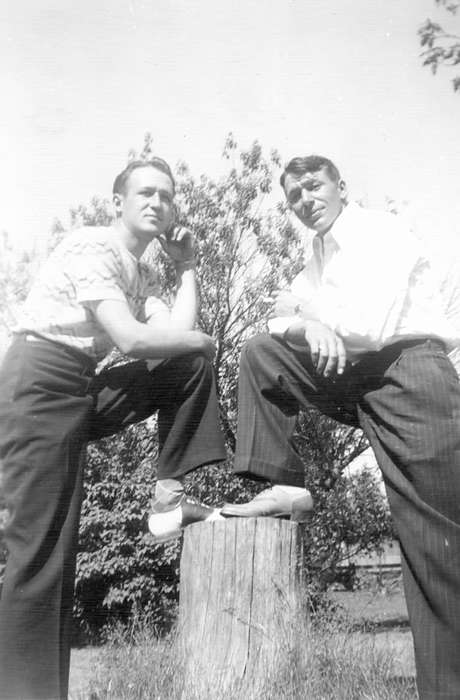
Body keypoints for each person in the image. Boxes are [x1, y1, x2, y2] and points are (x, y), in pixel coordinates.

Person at [222, 155, 460, 699]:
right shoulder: (318, 254)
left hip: (413, 375)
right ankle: (284, 484)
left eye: (314, 186)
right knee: (263, 355)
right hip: (359, 380)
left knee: (438, 554)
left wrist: (310, 316)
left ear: (340, 186)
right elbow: (279, 319)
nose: (306, 200)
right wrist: (307, 322)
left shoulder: (379, 230)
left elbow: (368, 326)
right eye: (294, 196)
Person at [0, 157, 226, 699]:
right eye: (145, 192)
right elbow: (131, 340)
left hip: (80, 388)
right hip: (38, 384)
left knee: (189, 364)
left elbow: (176, 337)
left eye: (166, 196)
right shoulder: (92, 245)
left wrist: (188, 267)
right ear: (117, 202)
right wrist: (199, 342)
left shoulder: (141, 270)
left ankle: (168, 496)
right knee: (41, 550)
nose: (157, 203)